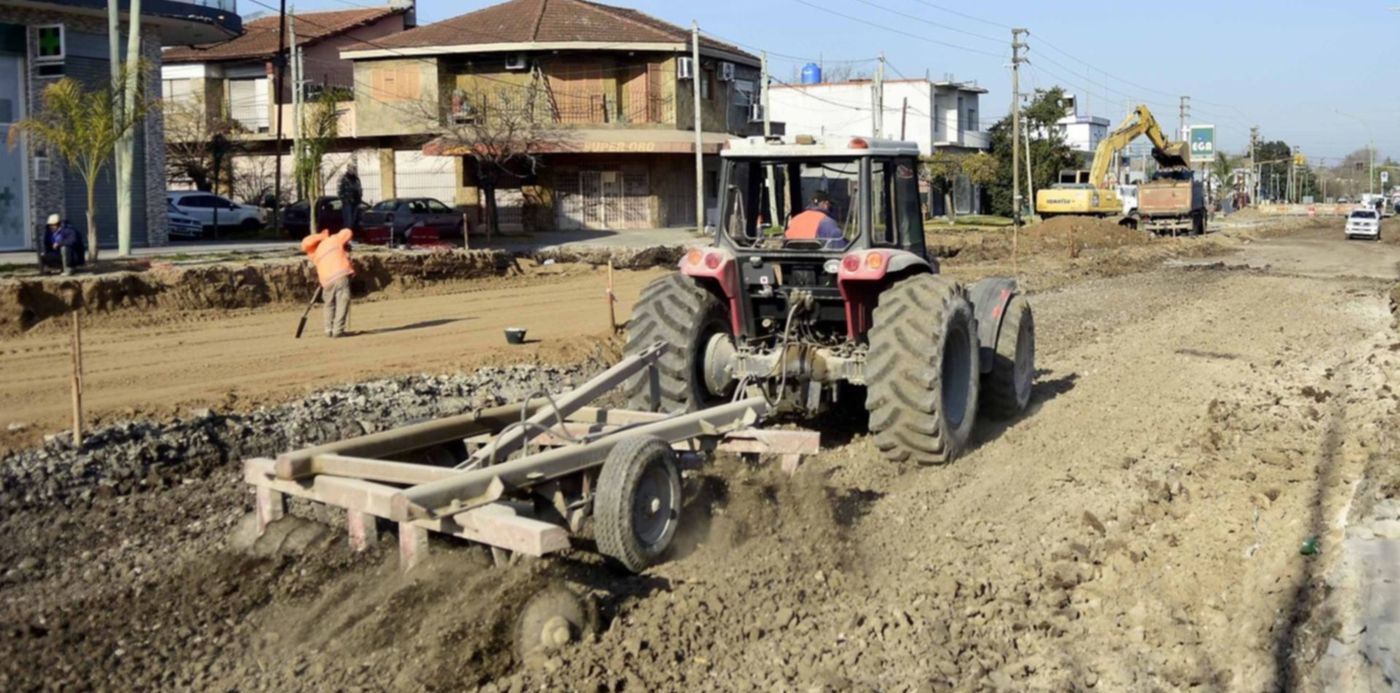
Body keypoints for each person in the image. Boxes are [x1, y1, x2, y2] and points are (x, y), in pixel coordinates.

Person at [301, 227, 355, 338]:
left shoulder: (314, 253)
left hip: (326, 280)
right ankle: (338, 330)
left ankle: (328, 329)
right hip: (341, 274)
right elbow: (347, 232)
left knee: (329, 304)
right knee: (342, 302)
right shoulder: (334, 240)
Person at [338, 163, 363, 233]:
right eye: (352, 168)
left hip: (356, 202)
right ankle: (347, 237)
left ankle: (351, 235)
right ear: (348, 168)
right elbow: (339, 190)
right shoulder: (343, 178)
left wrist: (360, 197)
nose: (354, 170)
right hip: (347, 202)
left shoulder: (356, 179)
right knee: (348, 222)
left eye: (354, 168)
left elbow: (360, 188)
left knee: (353, 221)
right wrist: (345, 199)